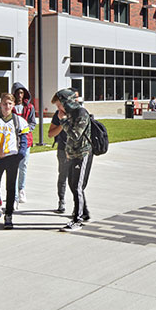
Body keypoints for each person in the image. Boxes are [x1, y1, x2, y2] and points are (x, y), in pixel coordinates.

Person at [0, 91, 30, 229]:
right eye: (5, 103)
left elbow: (24, 140)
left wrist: (21, 154)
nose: (7, 106)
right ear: (0, 104)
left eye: (10, 104)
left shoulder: (19, 121)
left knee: (11, 187)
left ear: (13, 105)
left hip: (12, 157)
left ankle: (9, 214)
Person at [55, 88, 92, 232]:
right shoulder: (70, 113)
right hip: (72, 155)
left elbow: (76, 134)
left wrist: (63, 121)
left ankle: (78, 219)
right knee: (72, 184)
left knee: (77, 186)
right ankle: (84, 212)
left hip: (82, 155)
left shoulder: (81, 113)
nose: (58, 108)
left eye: (59, 105)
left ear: (67, 102)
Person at [12, 83, 37, 205]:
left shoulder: (29, 107)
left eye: (21, 93)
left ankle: (21, 189)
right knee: (13, 167)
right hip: (12, 141)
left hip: (25, 140)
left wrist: (25, 129)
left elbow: (33, 123)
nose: (19, 95)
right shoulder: (10, 107)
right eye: (17, 93)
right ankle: (14, 193)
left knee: (23, 166)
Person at [48, 99, 70, 214]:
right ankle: (61, 200)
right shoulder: (58, 115)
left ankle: (80, 206)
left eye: (59, 105)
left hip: (76, 151)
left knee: (76, 180)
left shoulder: (78, 113)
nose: (58, 108)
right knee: (63, 176)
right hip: (62, 149)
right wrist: (62, 122)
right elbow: (50, 134)